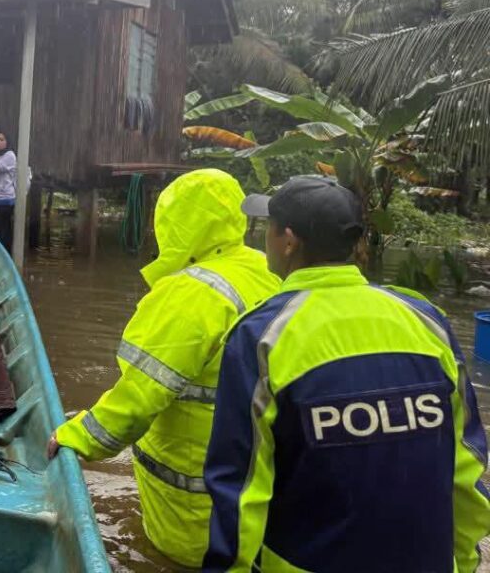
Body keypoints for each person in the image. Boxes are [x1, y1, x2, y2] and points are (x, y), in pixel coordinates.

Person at [203, 176, 490, 572]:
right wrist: (462, 561)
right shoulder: (426, 319)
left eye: (266, 228)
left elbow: (239, 491)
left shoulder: (261, 337)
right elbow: (468, 467)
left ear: (288, 240)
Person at [47, 169, 280, 568]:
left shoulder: (190, 292)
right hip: (264, 497)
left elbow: (139, 396)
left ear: (174, 223)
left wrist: (77, 437)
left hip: (194, 509)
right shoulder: (272, 271)